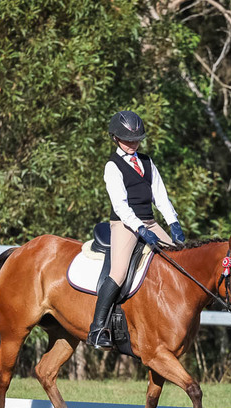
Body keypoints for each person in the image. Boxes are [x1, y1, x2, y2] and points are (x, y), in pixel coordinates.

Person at [87, 110, 186, 348]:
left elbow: (160, 197)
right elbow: (120, 206)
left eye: (136, 140)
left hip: (150, 222)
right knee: (119, 272)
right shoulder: (112, 166)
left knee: (178, 262)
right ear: (115, 138)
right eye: (127, 140)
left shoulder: (147, 162)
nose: (132, 144)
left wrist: (173, 223)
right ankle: (97, 329)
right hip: (125, 224)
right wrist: (140, 229)